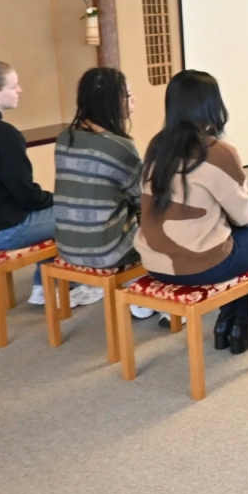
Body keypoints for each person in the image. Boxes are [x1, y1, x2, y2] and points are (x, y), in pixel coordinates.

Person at [134, 70, 248, 355]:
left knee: (237, 239)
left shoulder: (157, 147)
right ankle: (242, 324)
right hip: (197, 265)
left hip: (153, 261)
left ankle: (229, 320)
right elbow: (245, 214)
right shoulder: (217, 152)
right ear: (213, 105)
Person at [0, 59, 102, 308]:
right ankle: (57, 287)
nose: (20, 90)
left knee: (57, 209)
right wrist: (55, 198)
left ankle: (43, 285)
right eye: (14, 86)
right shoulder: (4, 134)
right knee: (76, 212)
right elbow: (25, 195)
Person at [53, 67, 154, 319]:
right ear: (112, 102)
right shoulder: (118, 147)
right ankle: (147, 292)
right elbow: (143, 199)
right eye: (129, 96)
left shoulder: (66, 137)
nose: (134, 102)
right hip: (107, 249)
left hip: (66, 246)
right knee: (164, 218)